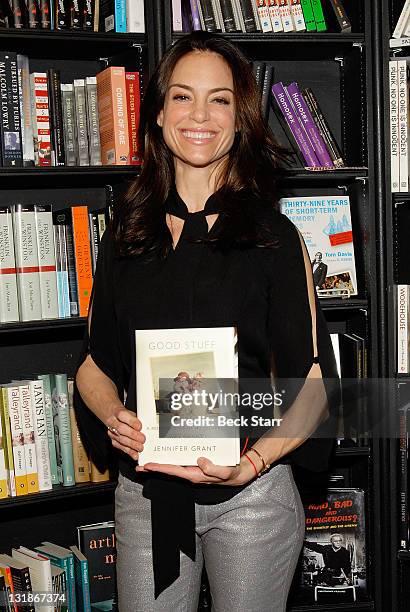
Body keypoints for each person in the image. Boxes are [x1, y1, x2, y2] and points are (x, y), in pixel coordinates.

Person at [75, 32, 339, 612]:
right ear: (159, 111)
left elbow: (315, 387)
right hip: (148, 499)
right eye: (182, 96)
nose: (199, 115)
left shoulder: (276, 237)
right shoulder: (125, 235)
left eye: (219, 99)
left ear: (240, 119)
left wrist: (252, 463)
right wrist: (115, 415)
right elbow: (94, 364)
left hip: (251, 498)